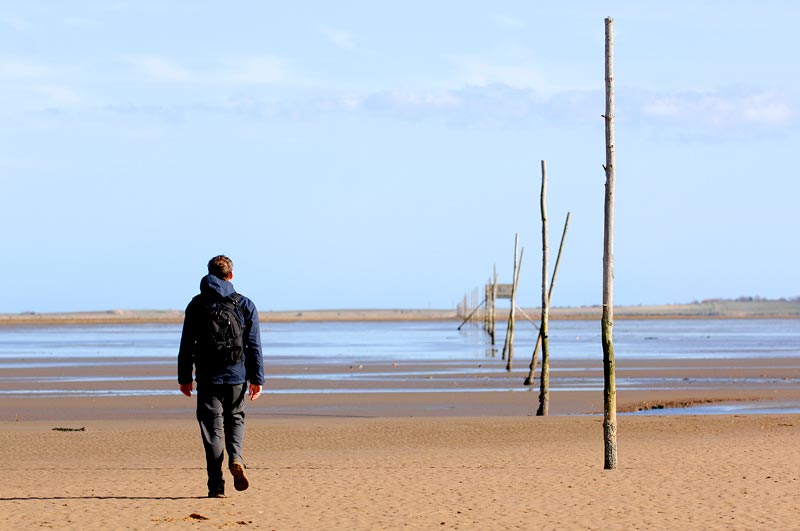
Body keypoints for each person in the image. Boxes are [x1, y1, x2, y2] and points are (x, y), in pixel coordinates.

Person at [178, 255, 265, 498]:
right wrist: (257, 378)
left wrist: (184, 377)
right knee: (235, 419)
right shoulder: (244, 304)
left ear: (209, 274)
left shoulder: (196, 305)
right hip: (237, 375)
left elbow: (186, 344)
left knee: (211, 430)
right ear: (231, 275)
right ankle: (236, 457)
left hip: (207, 377)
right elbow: (253, 346)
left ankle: (216, 486)